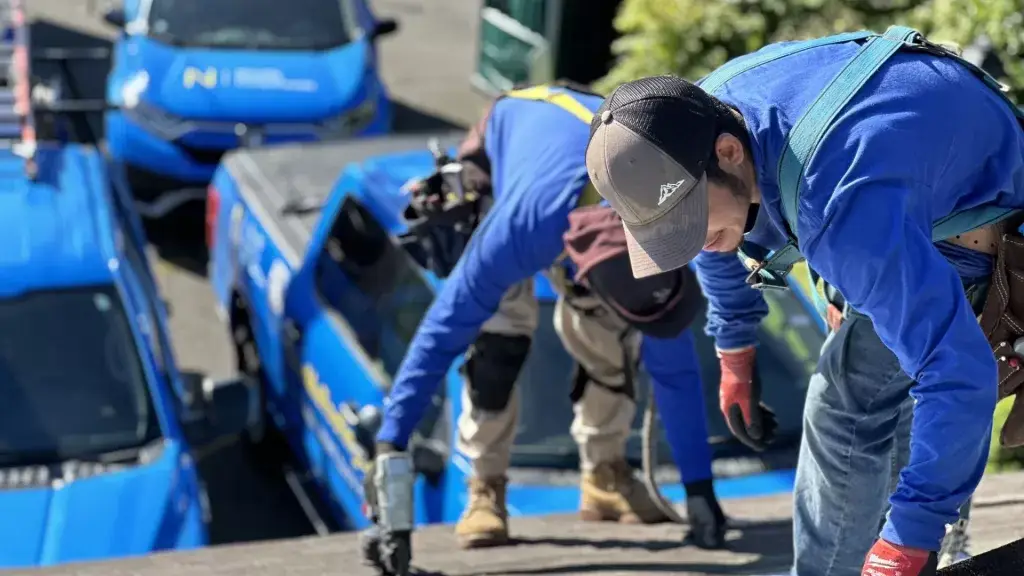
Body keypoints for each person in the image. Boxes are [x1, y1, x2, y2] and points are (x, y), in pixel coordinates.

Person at [584, 28, 1024, 576]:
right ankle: (924, 510)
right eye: (669, 230)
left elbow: (958, 372)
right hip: (905, 182)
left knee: (845, 404)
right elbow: (717, 236)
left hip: (973, 220)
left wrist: (909, 538)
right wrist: (735, 347)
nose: (691, 240)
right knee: (883, 360)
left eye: (688, 221)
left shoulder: (840, 207)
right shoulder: (690, 121)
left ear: (728, 151)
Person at [366, 83, 730, 556]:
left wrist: (700, 490)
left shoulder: (660, 224)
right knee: (500, 336)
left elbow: (674, 372)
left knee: (607, 336)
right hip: (514, 149)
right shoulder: (518, 230)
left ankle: (604, 476)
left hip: (596, 170)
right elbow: (439, 335)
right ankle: (485, 486)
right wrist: (391, 445)